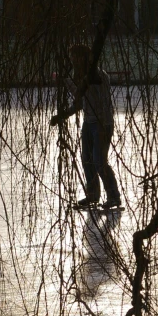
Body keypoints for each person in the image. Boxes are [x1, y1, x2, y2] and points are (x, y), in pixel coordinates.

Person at [50, 44, 122, 209]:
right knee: (87, 160)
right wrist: (61, 116)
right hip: (88, 123)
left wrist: (66, 81)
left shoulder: (98, 76)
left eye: (77, 57)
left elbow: (94, 98)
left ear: (86, 57)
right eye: (72, 57)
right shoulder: (83, 77)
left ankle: (114, 196)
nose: (74, 61)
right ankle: (93, 195)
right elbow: (80, 103)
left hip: (102, 123)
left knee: (99, 161)